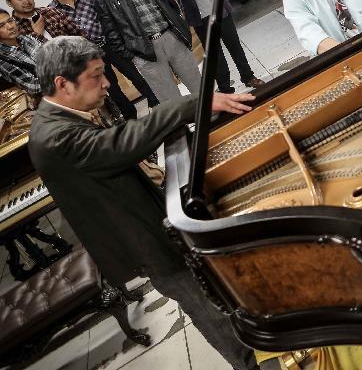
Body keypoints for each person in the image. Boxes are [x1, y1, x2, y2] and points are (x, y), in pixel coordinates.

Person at [27, 36, 257, 370]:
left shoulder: (63, 114)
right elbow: (121, 144)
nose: (107, 83)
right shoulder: (53, 134)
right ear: (63, 83)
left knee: (217, 298)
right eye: (96, 76)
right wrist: (194, 103)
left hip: (148, 221)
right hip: (145, 239)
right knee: (210, 311)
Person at [39, 0, 160, 116]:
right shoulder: (53, 11)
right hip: (88, 54)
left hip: (110, 43)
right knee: (110, 86)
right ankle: (129, 115)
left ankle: (155, 102)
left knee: (133, 74)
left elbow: (106, 16)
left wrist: (116, 38)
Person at [95, 0, 203, 102]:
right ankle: (185, 125)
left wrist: (179, 31)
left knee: (198, 84)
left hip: (171, 38)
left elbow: (173, 7)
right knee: (169, 97)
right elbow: (111, 34)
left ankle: (214, 115)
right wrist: (133, 55)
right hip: (144, 51)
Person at [4, 0, 84, 41]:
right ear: (9, 3)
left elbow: (79, 33)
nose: (26, 1)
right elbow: (27, 56)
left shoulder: (50, 11)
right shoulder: (14, 27)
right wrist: (37, 34)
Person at [0, 9, 42, 95]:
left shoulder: (26, 38)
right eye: (1, 25)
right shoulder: (2, 59)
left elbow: (54, 58)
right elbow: (33, 86)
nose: (10, 26)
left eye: (10, 21)